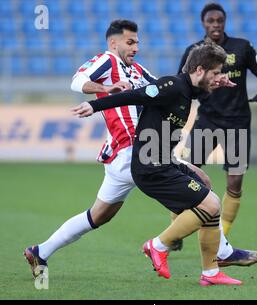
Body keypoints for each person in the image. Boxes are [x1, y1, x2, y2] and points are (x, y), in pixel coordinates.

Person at [23, 20, 257, 280]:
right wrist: (103, 91)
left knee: (98, 216)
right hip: (132, 150)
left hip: (133, 152)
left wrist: (212, 79)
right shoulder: (107, 61)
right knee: (202, 192)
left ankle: (40, 251)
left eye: (137, 42)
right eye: (130, 42)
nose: (136, 47)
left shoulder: (136, 70)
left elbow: (171, 88)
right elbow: (78, 81)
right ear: (114, 43)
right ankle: (216, 253)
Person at [71, 42, 245, 286]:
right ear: (198, 70)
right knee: (212, 204)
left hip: (164, 162)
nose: (218, 76)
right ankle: (158, 245)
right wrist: (93, 105)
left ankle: (211, 273)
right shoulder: (170, 85)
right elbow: (133, 95)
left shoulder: (188, 89)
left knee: (206, 188)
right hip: (149, 167)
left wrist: (217, 83)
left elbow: (197, 91)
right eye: (215, 72)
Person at [176, 3, 257, 238]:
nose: (215, 25)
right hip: (207, 121)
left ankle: (222, 236)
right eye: (211, 21)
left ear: (224, 22)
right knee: (185, 175)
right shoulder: (194, 51)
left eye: (219, 20)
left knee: (235, 183)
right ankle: (175, 227)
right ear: (203, 23)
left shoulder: (242, 47)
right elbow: (182, 84)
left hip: (237, 123)